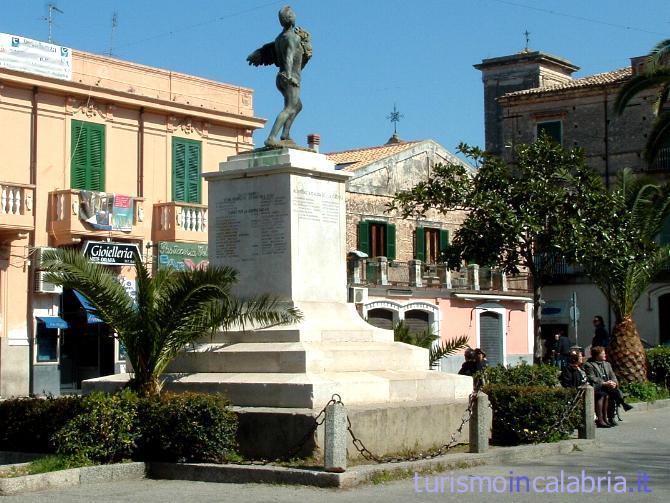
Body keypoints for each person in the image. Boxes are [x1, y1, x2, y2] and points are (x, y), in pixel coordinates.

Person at [247, 6, 312, 147]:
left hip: (280, 77)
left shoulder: (279, 38)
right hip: (289, 77)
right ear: (291, 19)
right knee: (289, 107)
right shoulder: (292, 38)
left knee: (298, 106)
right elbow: (289, 56)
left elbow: (269, 50)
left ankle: (285, 134)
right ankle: (271, 137)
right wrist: (289, 76)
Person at [584, 346, 633, 427]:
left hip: (608, 386)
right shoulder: (589, 365)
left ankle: (610, 418)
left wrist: (613, 382)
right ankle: (602, 419)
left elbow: (613, 376)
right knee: (605, 394)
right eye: (603, 353)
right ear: (597, 355)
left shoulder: (607, 364)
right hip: (598, 387)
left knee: (611, 392)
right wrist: (604, 383)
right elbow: (592, 377)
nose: (605, 355)